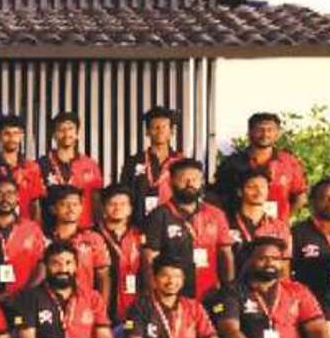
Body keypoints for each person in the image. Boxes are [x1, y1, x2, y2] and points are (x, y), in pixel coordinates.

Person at [142, 158, 231, 300]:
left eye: (195, 179)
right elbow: (149, 258)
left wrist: (228, 289)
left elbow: (225, 253)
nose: (190, 184)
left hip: (210, 292)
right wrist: (153, 294)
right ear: (171, 182)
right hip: (173, 292)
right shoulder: (159, 215)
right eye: (184, 179)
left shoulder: (216, 214)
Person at [213, 112, 308, 220]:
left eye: (270, 130)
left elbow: (300, 196)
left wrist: (283, 219)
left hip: (277, 226)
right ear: (250, 132)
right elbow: (216, 197)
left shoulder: (289, 163)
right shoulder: (232, 163)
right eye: (260, 130)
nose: (265, 134)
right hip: (239, 226)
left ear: (278, 133)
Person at [0, 176, 47, 303]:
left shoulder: (32, 228)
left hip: (26, 299)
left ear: (18, 198)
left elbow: (41, 265)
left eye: (10, 193)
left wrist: (26, 293)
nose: (5, 199)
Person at [42, 186, 113, 306]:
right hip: (48, 304)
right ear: (53, 209)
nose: (71, 209)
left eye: (75, 204)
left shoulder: (93, 239)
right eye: (64, 204)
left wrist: (101, 307)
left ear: (81, 208)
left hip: (84, 305)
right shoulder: (43, 239)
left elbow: (103, 277)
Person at [117, 106, 184, 225]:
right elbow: (124, 194)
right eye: (155, 127)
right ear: (147, 132)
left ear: (171, 132)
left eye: (164, 127)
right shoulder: (133, 162)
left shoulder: (181, 162)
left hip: (173, 224)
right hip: (140, 224)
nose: (160, 130)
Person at [92, 186, 146, 323]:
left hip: (133, 306)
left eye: (123, 204)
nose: (118, 208)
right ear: (103, 208)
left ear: (130, 209)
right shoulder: (92, 236)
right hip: (103, 304)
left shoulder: (140, 235)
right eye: (112, 204)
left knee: (130, 331)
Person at [40, 112, 103, 227]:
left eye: (70, 129)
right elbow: (35, 203)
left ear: (77, 134)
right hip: (50, 230)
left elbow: (97, 201)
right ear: (54, 135)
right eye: (61, 129)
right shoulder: (41, 165)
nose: (66, 133)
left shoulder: (90, 165)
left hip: (84, 229)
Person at [228, 170, 293, 268]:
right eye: (252, 187)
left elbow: (284, 264)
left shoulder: (279, 227)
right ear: (239, 191)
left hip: (267, 276)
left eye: (263, 187)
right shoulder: (225, 223)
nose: (259, 191)